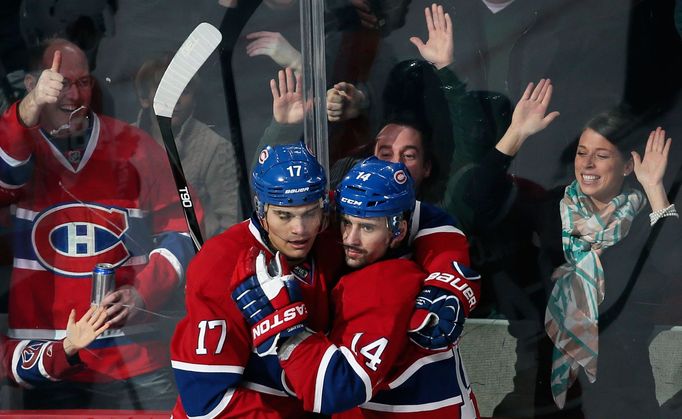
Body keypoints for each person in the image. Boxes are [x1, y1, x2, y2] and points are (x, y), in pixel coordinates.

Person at [170, 142, 478, 418]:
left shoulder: (339, 225)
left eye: (310, 213)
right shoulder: (220, 265)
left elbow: (424, 216)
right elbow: (204, 401)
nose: (300, 230)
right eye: (284, 215)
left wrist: (448, 280)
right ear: (261, 211)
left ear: (325, 205)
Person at [0, 38, 195, 409]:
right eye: (59, 82)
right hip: (48, 358)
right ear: (32, 85)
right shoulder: (20, 148)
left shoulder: (134, 147)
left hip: (135, 356)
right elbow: (4, 176)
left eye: (83, 82)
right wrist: (28, 110)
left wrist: (144, 293)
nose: (73, 94)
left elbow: (183, 230)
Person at [467, 81, 680, 417]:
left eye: (602, 154)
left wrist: (654, 189)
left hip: (623, 401)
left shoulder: (644, 223)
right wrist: (516, 134)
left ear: (627, 166)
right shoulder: (551, 211)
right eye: (582, 152)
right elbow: (478, 203)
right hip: (548, 394)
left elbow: (674, 266)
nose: (588, 164)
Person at [134, 54, 240, 238]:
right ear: (145, 98)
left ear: (195, 98)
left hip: (195, 258)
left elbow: (231, 221)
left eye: (184, 91)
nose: (174, 100)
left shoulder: (215, 148)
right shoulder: (123, 143)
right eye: (165, 90)